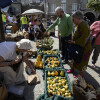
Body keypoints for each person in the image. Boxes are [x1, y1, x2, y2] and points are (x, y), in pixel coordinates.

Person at [67, 11, 92, 78]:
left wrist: (74, 42)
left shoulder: (84, 25)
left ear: (77, 18)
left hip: (84, 47)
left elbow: (84, 38)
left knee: (83, 61)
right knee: (75, 58)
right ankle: (72, 70)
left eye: (73, 20)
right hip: (78, 45)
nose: (73, 21)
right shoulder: (79, 24)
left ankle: (81, 74)